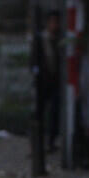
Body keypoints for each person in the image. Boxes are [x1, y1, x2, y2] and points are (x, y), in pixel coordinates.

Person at [37, 10, 62, 151]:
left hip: (55, 81)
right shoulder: (41, 39)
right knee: (39, 113)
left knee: (54, 112)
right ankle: (39, 144)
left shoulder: (58, 39)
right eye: (53, 21)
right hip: (43, 81)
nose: (55, 25)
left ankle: (51, 141)